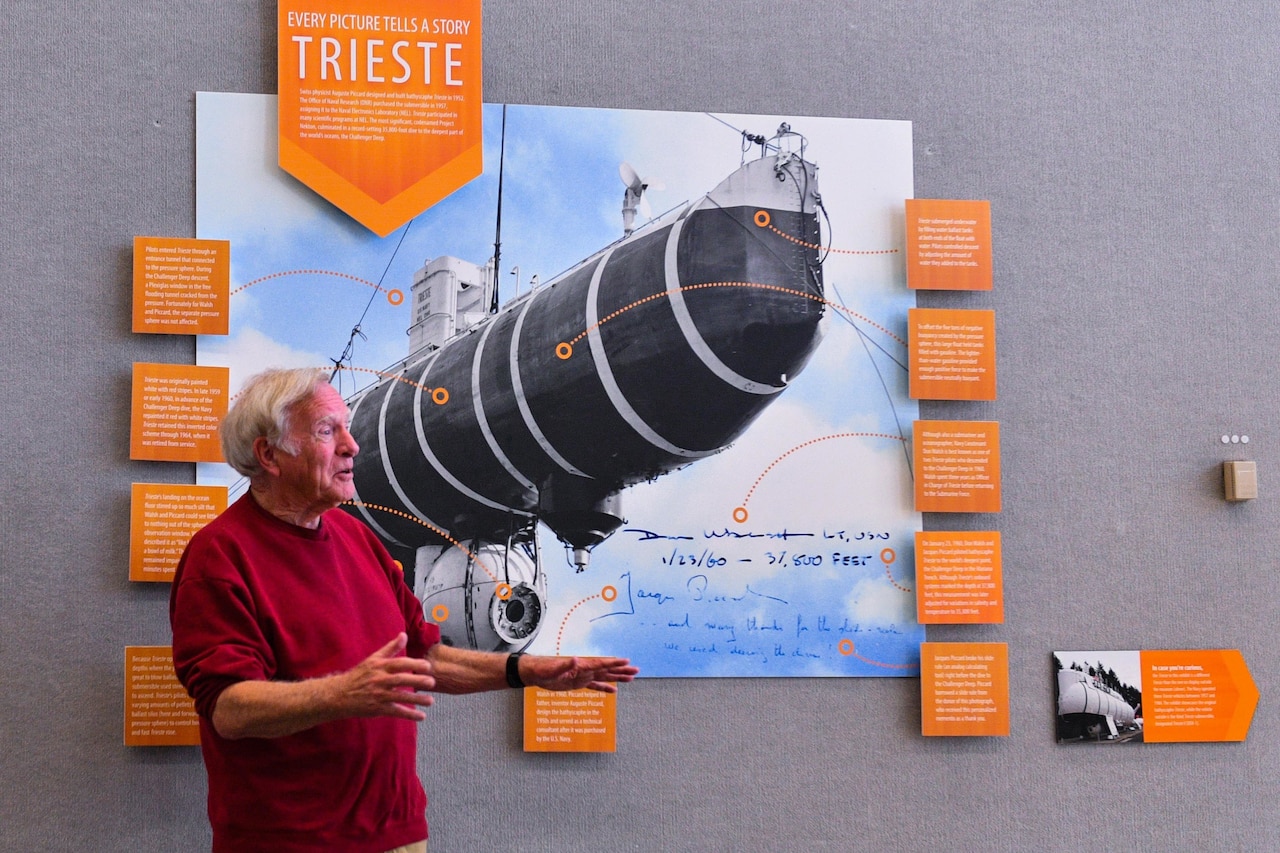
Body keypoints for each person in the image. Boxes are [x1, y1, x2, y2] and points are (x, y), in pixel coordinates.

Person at [170, 368, 637, 853]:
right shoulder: (220, 557)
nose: (352, 446)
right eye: (328, 432)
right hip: (291, 841)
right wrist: (342, 693)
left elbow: (426, 659)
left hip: (398, 834)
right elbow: (230, 709)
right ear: (269, 454)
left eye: (348, 428)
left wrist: (528, 670)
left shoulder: (356, 540)